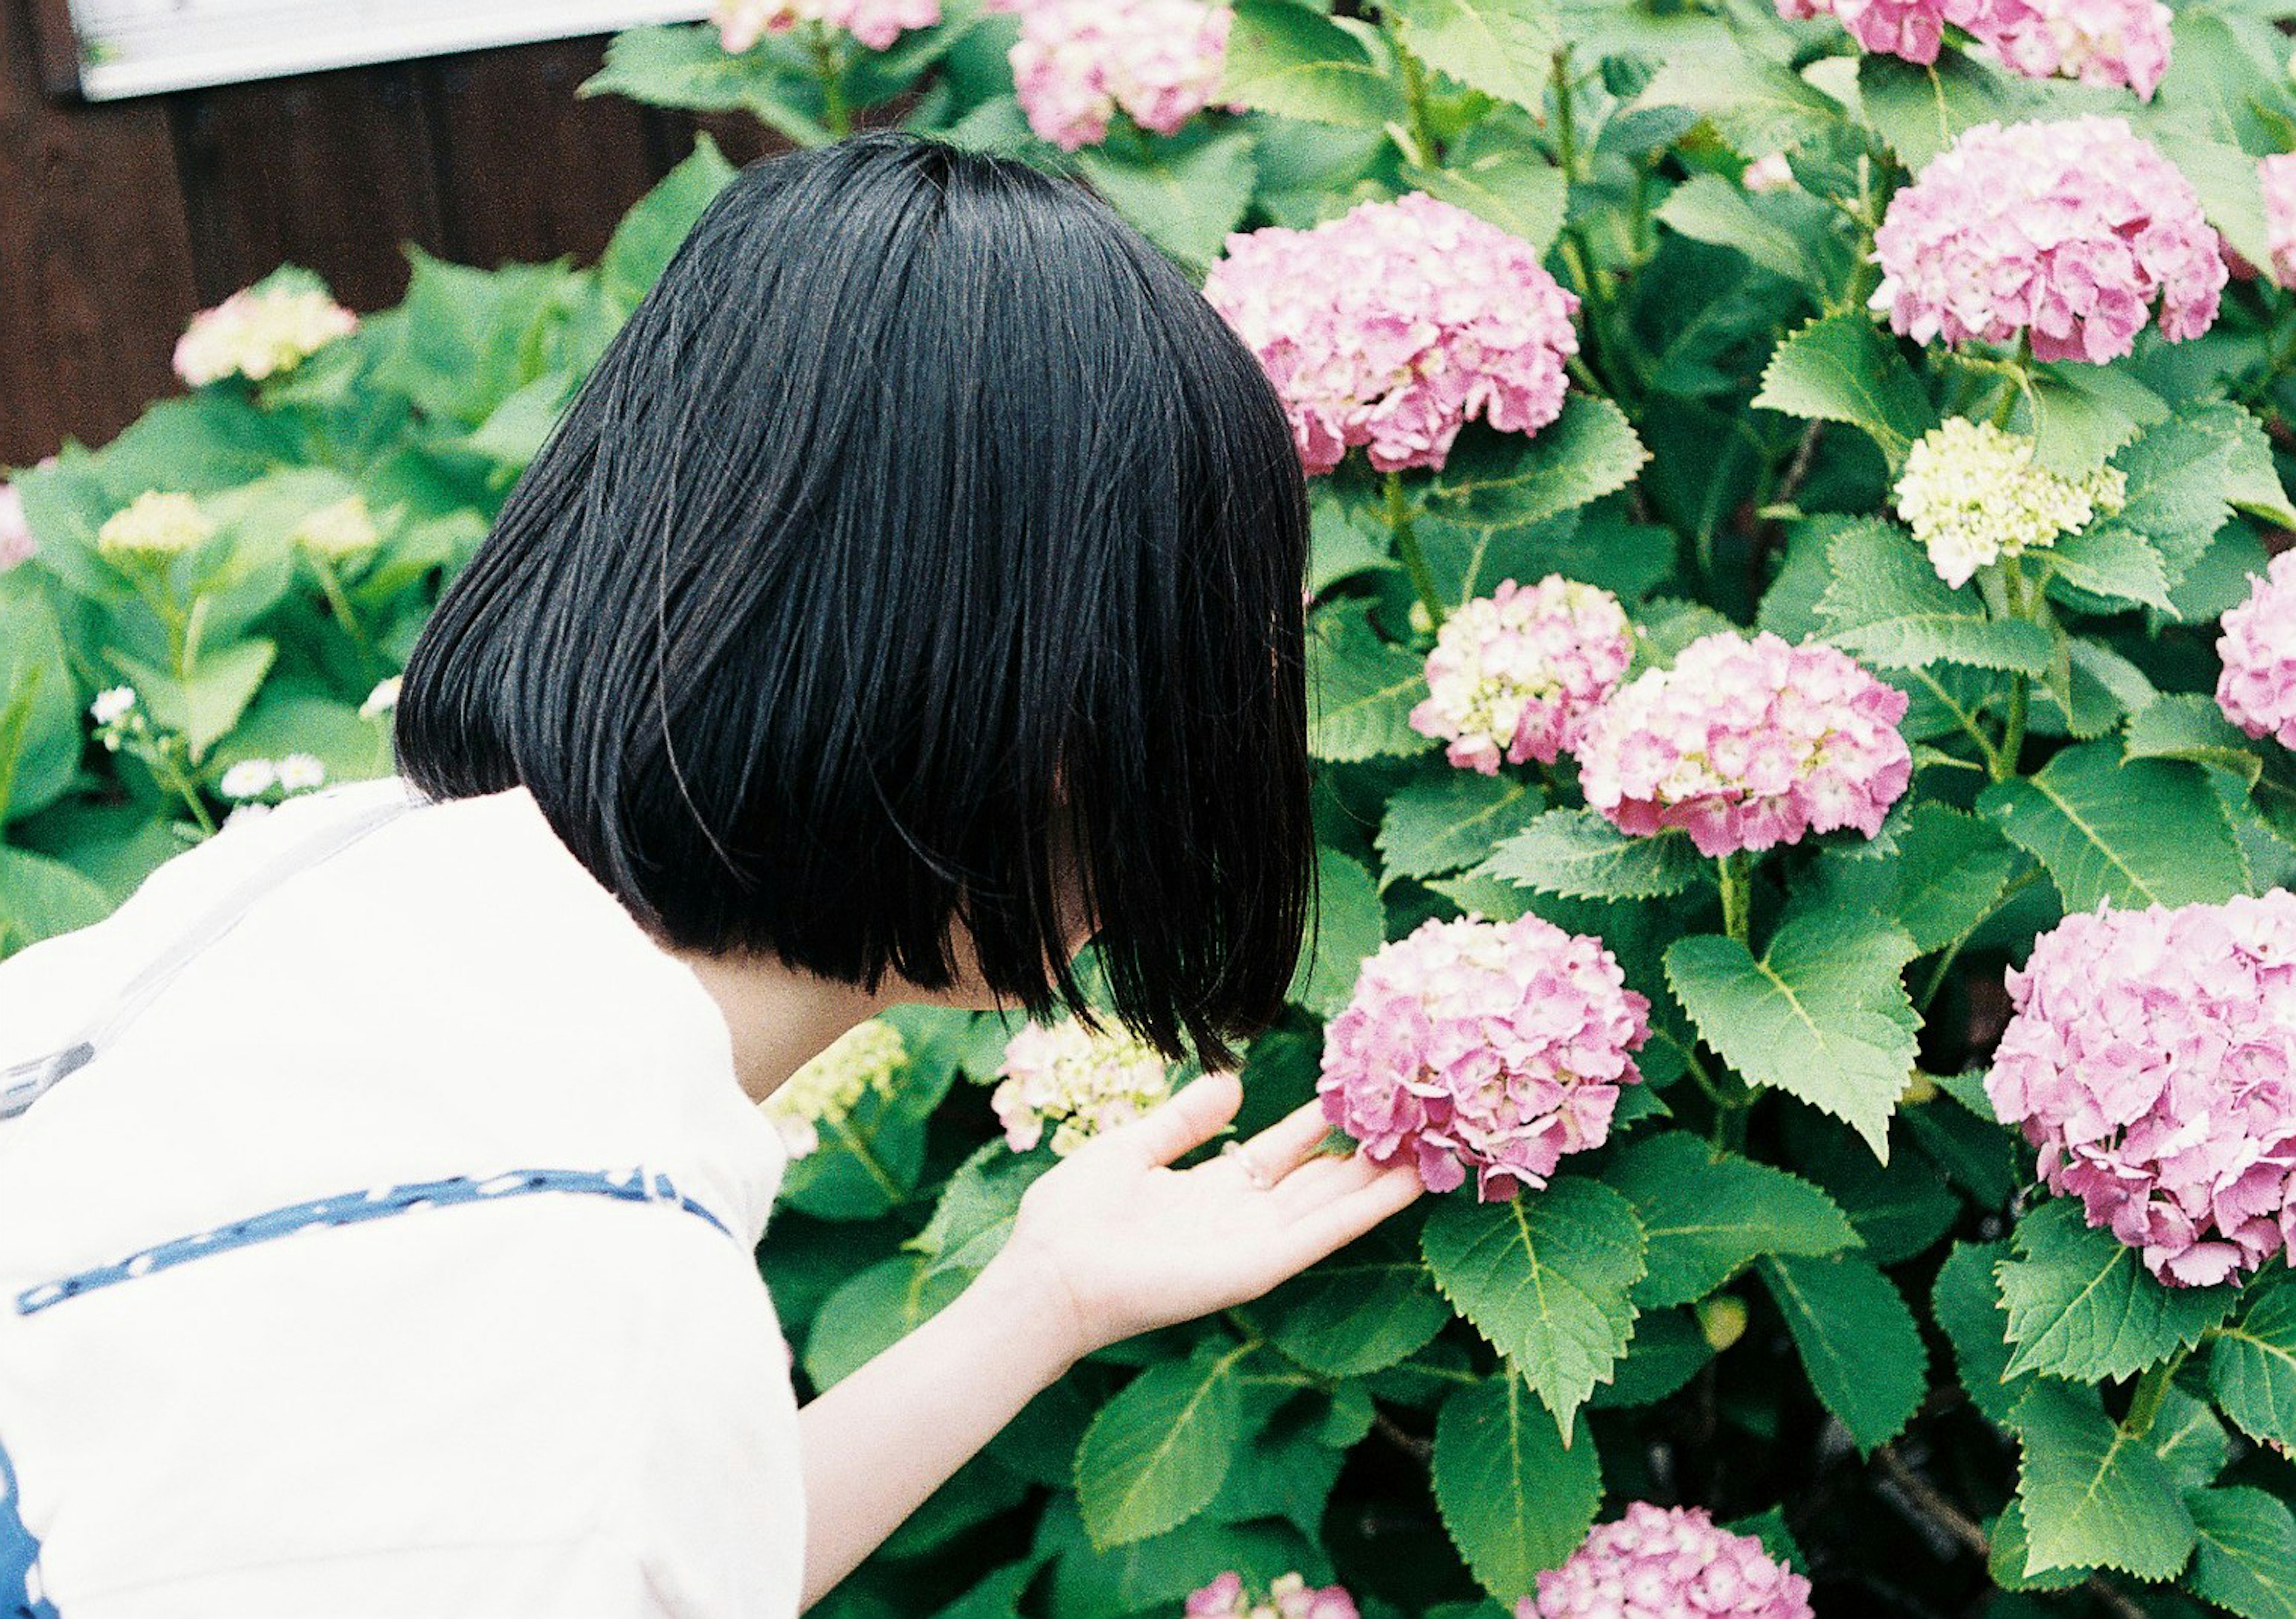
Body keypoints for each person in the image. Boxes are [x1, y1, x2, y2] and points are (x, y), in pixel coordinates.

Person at [0, 132, 1424, 1617]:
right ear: (1062, 708)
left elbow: (623, 1548)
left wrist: (1041, 1300)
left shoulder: (347, 896)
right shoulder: (586, 1296)